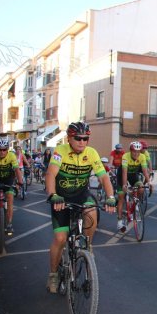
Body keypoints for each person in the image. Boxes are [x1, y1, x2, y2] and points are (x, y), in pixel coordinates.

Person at [45, 122, 116, 293]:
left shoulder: (91, 153)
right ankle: (53, 275)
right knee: (61, 239)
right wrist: (53, 195)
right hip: (61, 197)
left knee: (92, 212)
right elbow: (51, 174)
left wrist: (111, 197)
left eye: (85, 139)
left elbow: (103, 177)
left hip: (81, 195)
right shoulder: (60, 151)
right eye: (78, 138)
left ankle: (87, 246)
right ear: (69, 138)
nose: (82, 142)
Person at [116, 141, 150, 232]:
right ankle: (119, 221)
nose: (136, 154)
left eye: (138, 152)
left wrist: (149, 183)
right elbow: (124, 172)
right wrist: (124, 184)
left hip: (133, 176)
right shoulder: (125, 156)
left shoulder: (142, 157)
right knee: (121, 196)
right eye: (134, 151)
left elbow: (145, 171)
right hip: (122, 175)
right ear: (130, 151)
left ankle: (134, 203)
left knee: (141, 188)